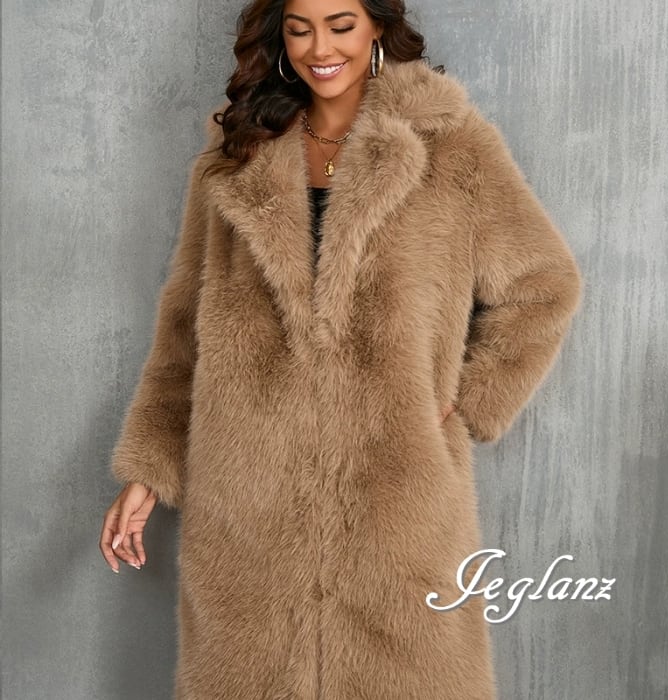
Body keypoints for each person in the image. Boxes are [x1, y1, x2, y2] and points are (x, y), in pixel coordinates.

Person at [99, 0, 583, 697]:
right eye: (299, 29)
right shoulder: (237, 149)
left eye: (340, 25)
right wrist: (149, 470)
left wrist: (467, 400)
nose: (319, 48)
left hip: (396, 499)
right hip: (248, 503)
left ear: (378, 27)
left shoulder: (450, 144)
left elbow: (544, 286)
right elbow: (184, 326)